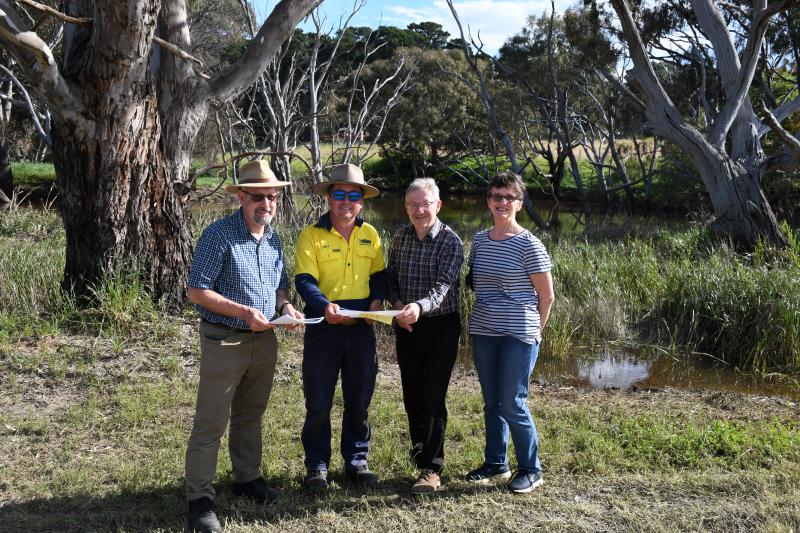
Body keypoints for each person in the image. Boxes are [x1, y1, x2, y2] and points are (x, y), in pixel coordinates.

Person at [184, 160, 305, 533]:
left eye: (271, 196)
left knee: (251, 414)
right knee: (211, 422)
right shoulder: (218, 235)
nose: (266, 203)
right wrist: (243, 311)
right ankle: (199, 499)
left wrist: (285, 306)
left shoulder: (273, 238)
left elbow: (279, 284)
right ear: (240, 197)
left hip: (264, 340)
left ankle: (246, 477)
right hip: (225, 340)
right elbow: (196, 290)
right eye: (257, 197)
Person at [294, 163, 387, 492]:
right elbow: (304, 280)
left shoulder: (370, 234)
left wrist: (377, 302)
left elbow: (378, 276)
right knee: (318, 400)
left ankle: (356, 461)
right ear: (329, 198)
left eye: (353, 196)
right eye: (339, 194)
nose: (346, 201)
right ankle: (317, 465)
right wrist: (324, 306)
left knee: (359, 398)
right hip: (324, 326)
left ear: (361, 201)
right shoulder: (311, 235)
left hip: (361, 327)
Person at [464, 172, 554, 494]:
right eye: (496, 196)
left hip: (520, 335)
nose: (502, 202)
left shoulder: (530, 244)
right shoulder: (479, 241)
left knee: (512, 402)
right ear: (488, 201)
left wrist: (534, 334)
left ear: (519, 203)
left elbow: (547, 297)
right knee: (492, 403)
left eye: (509, 197)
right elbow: (476, 284)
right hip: (484, 331)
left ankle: (531, 469)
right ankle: (496, 463)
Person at [388, 178, 464, 494]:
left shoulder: (451, 242)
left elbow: (443, 288)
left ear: (438, 205)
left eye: (425, 204)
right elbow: (390, 278)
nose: (419, 211)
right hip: (406, 324)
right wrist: (397, 305)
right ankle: (420, 448)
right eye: (413, 205)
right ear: (406, 207)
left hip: (440, 326)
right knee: (412, 393)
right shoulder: (400, 237)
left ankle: (432, 468)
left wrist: (417, 307)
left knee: (433, 396)